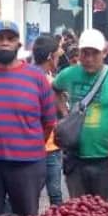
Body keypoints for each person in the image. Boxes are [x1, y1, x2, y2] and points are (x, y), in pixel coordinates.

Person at [0, 20, 58, 216]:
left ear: (19, 45)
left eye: (11, 38)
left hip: (27, 165)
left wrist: (28, 145)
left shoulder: (37, 77)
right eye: (0, 38)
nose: (5, 42)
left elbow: (49, 122)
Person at [53, 29, 108, 200]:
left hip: (105, 158)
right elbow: (55, 89)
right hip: (75, 157)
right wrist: (64, 113)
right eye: (85, 53)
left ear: (105, 53)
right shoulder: (69, 74)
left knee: (105, 212)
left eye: (95, 54)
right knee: (78, 211)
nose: (89, 59)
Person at [32, 34, 66, 206]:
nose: (59, 60)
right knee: (55, 195)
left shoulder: (25, 76)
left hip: (30, 146)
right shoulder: (48, 82)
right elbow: (54, 117)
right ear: (50, 57)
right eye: (58, 56)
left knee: (29, 194)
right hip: (48, 146)